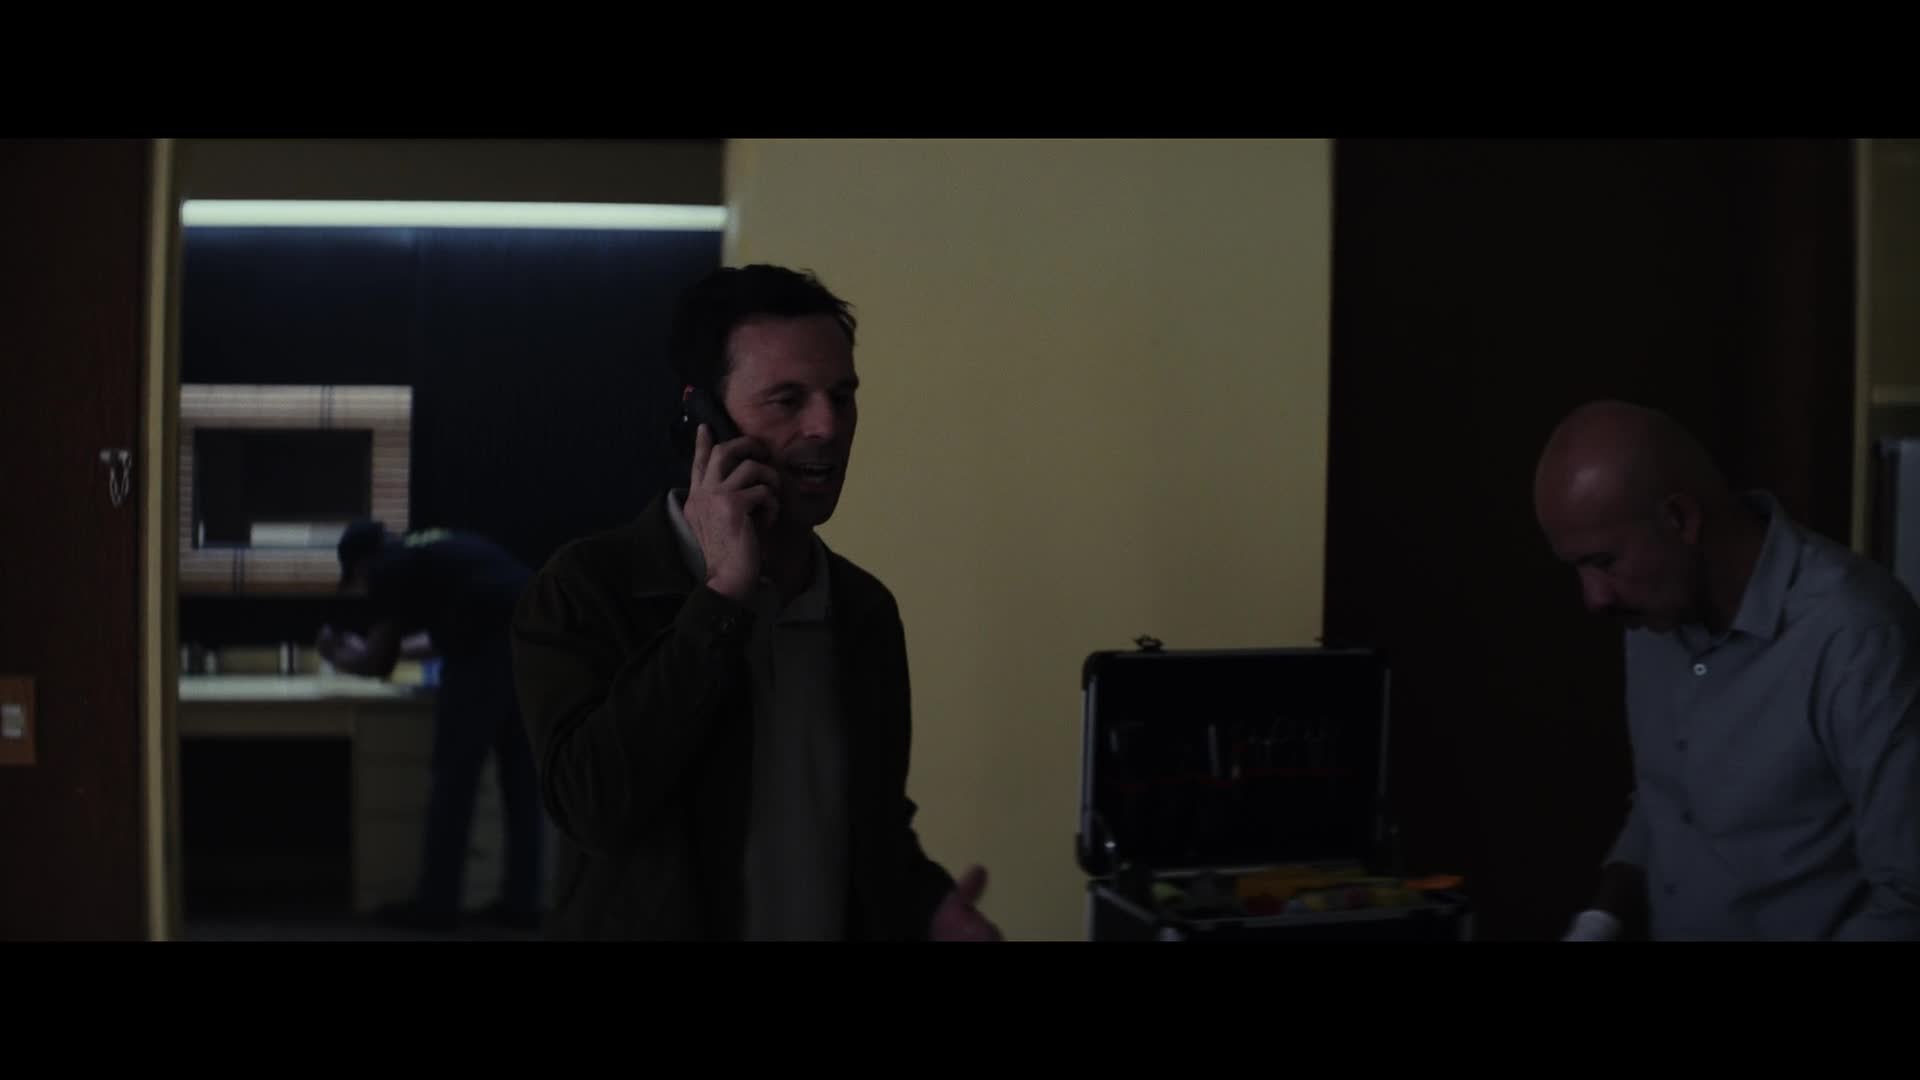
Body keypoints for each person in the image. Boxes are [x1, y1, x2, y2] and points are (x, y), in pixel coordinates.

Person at [510, 264, 1001, 940]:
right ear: (704, 419)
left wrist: (929, 908)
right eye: (787, 399)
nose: (827, 425)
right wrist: (721, 599)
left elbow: (870, 828)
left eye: (842, 396)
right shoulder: (589, 586)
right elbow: (593, 808)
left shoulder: (861, 610)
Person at [1532, 400, 1920, 940]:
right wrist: (1600, 921)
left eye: (1604, 562)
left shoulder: (1857, 634)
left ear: (1681, 520)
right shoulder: (1651, 616)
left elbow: (1910, 898)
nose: (1594, 599)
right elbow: (1668, 799)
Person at [319, 520, 545, 933]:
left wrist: (337, 654)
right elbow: (440, 636)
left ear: (361, 565)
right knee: (521, 784)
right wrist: (368, 649)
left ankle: (436, 908)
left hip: (484, 656)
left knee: (453, 783)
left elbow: (379, 663)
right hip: (536, 643)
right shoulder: (428, 549)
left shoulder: (386, 569)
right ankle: (523, 904)